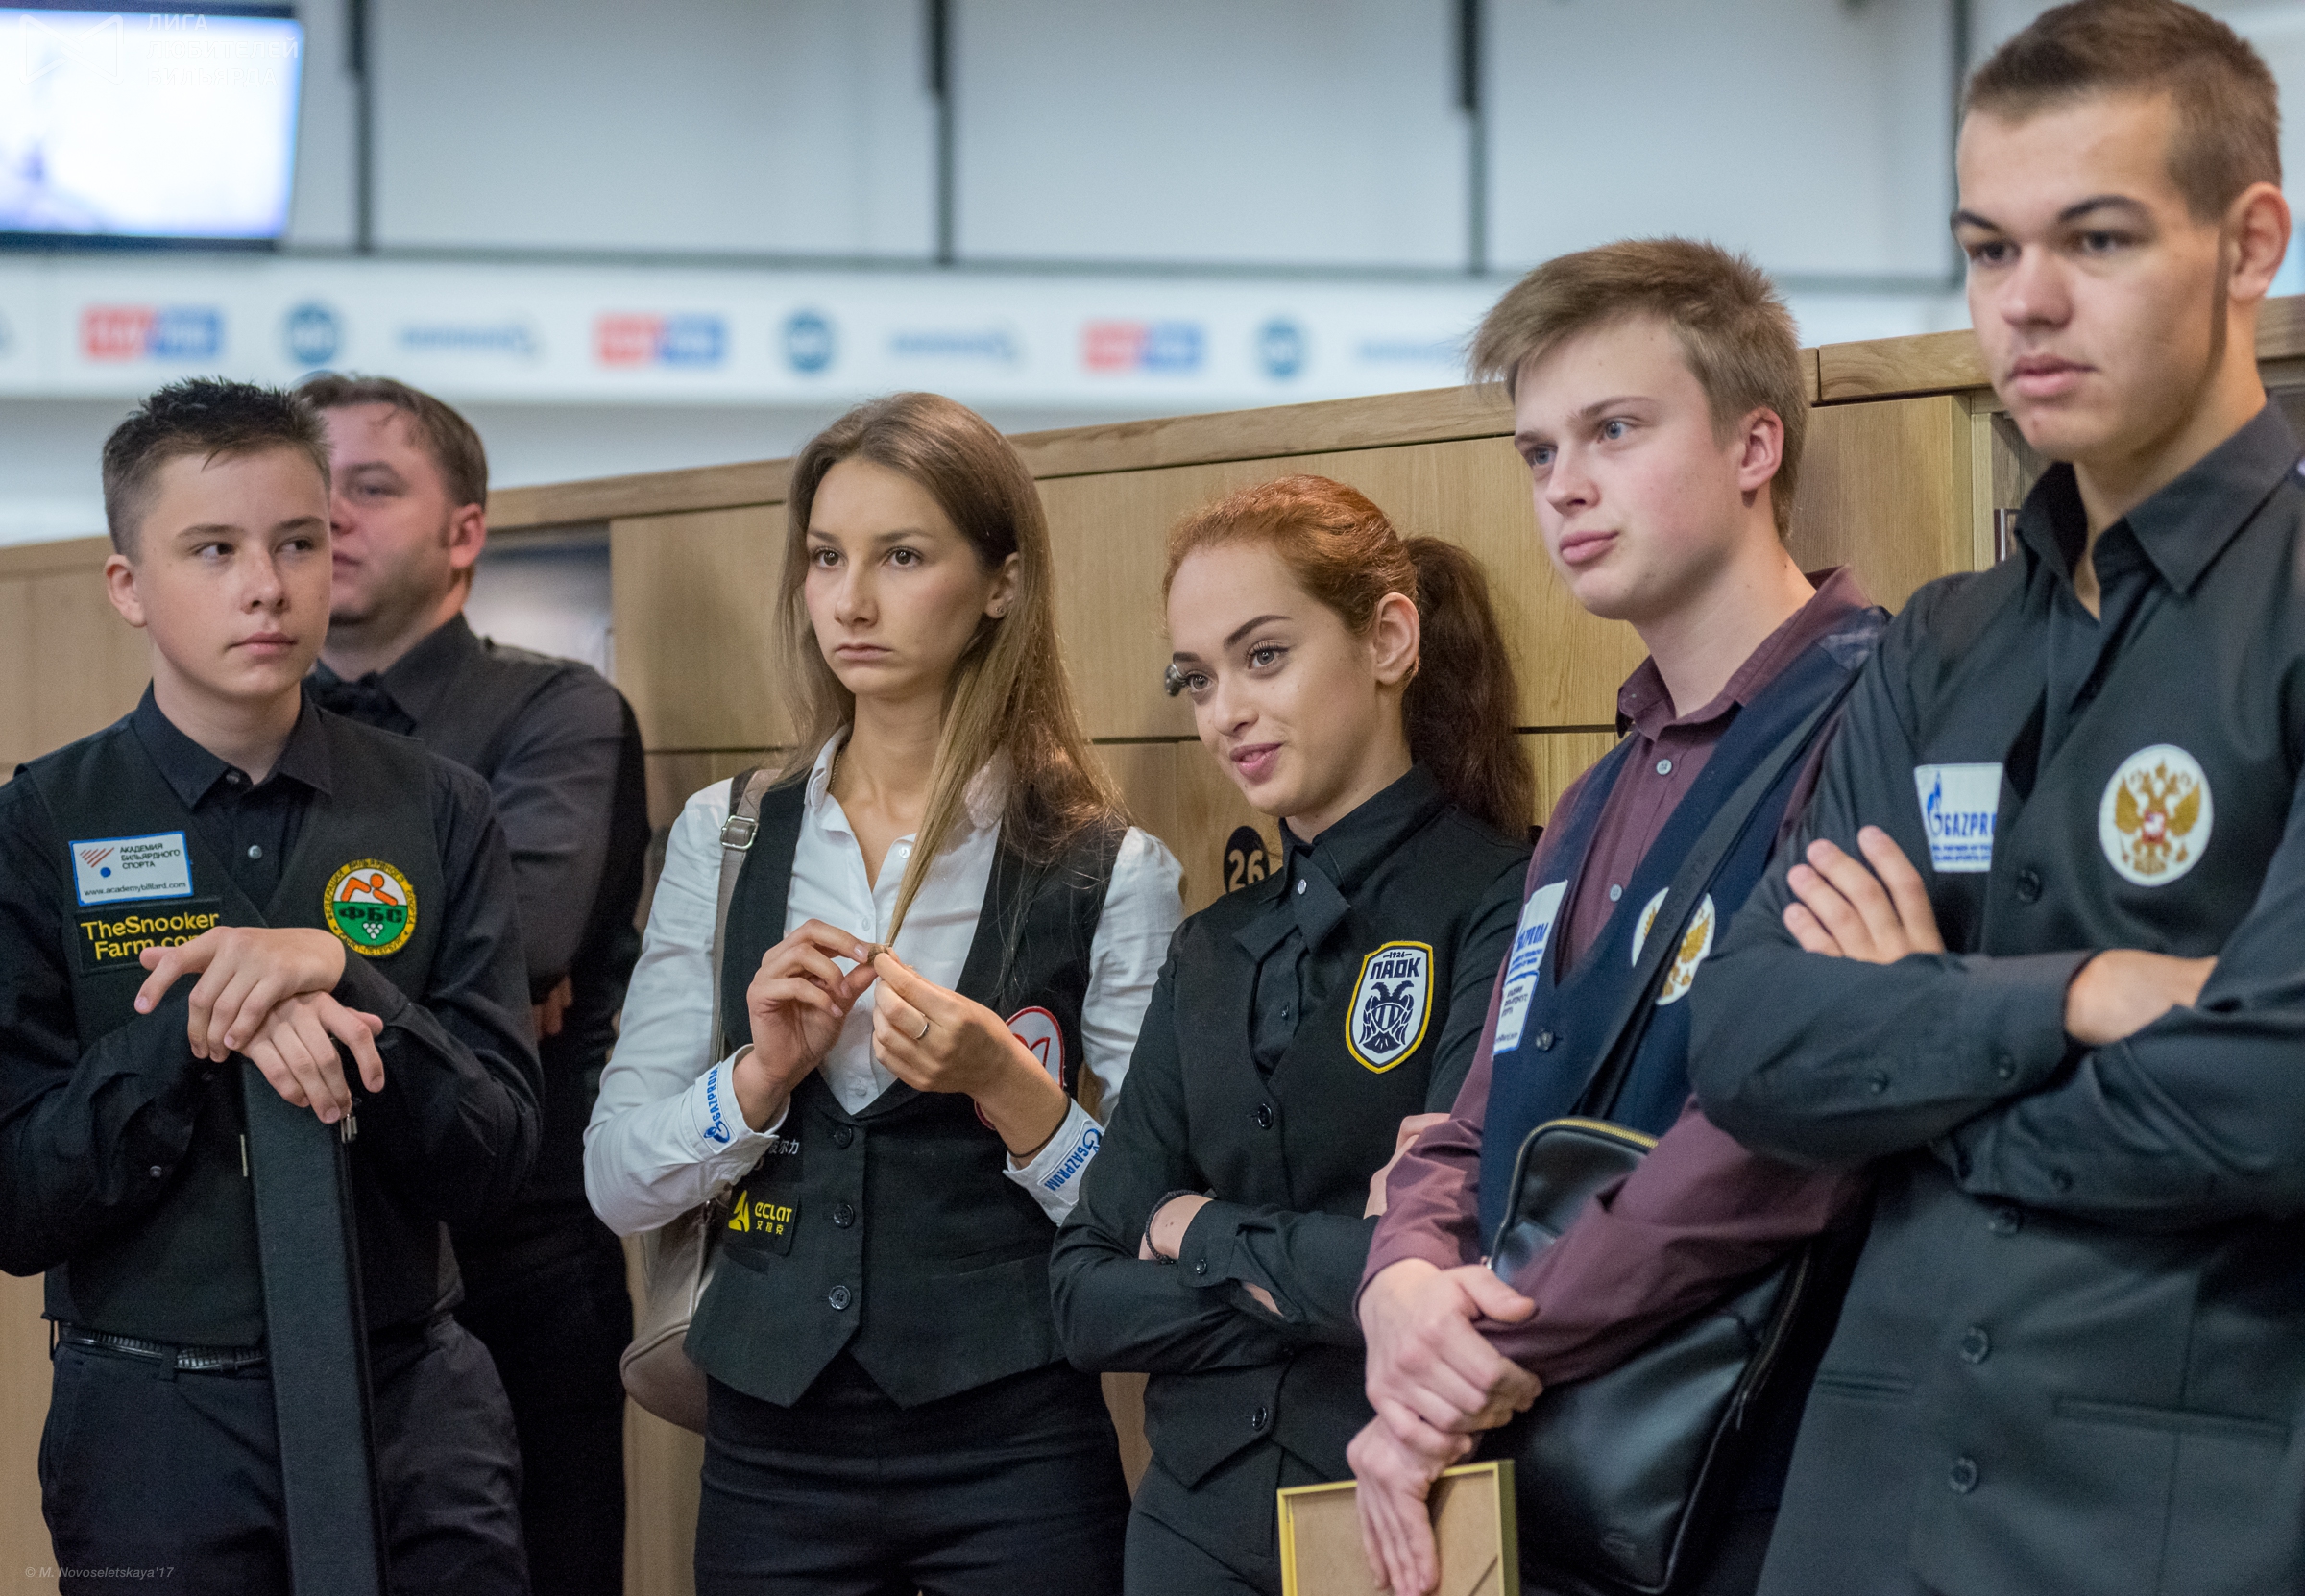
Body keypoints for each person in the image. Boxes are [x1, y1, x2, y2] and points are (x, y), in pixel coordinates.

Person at [1688, 5, 2305, 1592]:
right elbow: (1746, 1037)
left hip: (2174, 1511)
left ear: (2250, 245)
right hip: (1867, 1502)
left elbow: (2275, 1096)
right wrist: (2075, 995)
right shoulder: (1940, 642)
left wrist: (1914, 1052)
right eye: (1987, 249)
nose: (2025, 300)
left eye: (2096, 239)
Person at [1347, 240, 1885, 1596]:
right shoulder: (1595, 794)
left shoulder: (1876, 716)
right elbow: (1477, 1116)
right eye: (1538, 451)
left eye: (1615, 430)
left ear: (1755, 443)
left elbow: (1782, 1138)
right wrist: (1400, 1284)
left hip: (1773, 1485)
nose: (1565, 485)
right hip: (1563, 1482)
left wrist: (1495, 1341)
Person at [585, 391, 1182, 1596]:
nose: (849, 602)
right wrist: (757, 1080)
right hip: (769, 1451)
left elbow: (1155, 1230)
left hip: (1017, 1446)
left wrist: (1016, 1095)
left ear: (1001, 584)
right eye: (825, 558)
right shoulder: (729, 835)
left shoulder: (1111, 866)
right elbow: (614, 1178)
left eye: (901, 557)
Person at [0, 378, 539, 1593]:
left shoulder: (438, 807)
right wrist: (206, 1020)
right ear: (128, 585)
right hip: (155, 1417)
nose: (268, 586)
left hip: (413, 1404)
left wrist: (346, 976)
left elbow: (498, 1158)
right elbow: (18, 1202)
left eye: (299, 543)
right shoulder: (40, 823)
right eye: (214, 550)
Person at [1049, 473, 1535, 1596]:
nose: (1225, 712)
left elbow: (1459, 1263)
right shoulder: (1210, 946)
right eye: (1197, 678)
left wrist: (1189, 1224)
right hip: (1187, 1529)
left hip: (1410, 1510)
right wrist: (1340, 1284)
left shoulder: (1506, 898)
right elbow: (1083, 1294)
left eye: (1263, 657)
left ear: (1389, 639)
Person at [299, 373, 650, 1596]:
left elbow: (530, 945)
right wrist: (446, 974)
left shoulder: (555, 709)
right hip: (300, 1264)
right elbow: (162, 963)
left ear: (464, 533)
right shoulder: (246, 725)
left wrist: (298, 964)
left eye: (371, 487)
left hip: (516, 1274)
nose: (330, 515)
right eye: (312, 489)